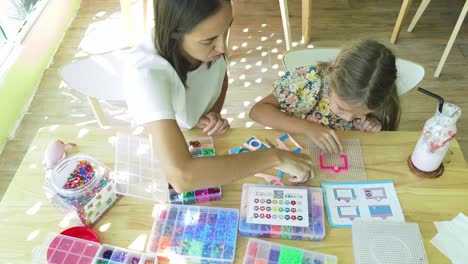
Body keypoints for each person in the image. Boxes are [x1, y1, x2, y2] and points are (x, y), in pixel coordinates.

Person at [123, 0, 314, 193]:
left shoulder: (209, 47)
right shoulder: (145, 73)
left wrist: (212, 111)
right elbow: (182, 177)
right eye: (209, 41)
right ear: (175, 34)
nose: (223, 47)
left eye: (227, 30)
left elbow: (220, 75)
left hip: (195, 131)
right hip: (166, 144)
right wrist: (275, 157)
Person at [249, 40, 401, 154]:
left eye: (360, 114)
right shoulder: (305, 82)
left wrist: (369, 126)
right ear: (331, 81)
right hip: (295, 147)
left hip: (338, 153)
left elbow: (378, 143)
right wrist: (308, 128)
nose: (348, 119)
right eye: (341, 108)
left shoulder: (378, 96)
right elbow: (257, 112)